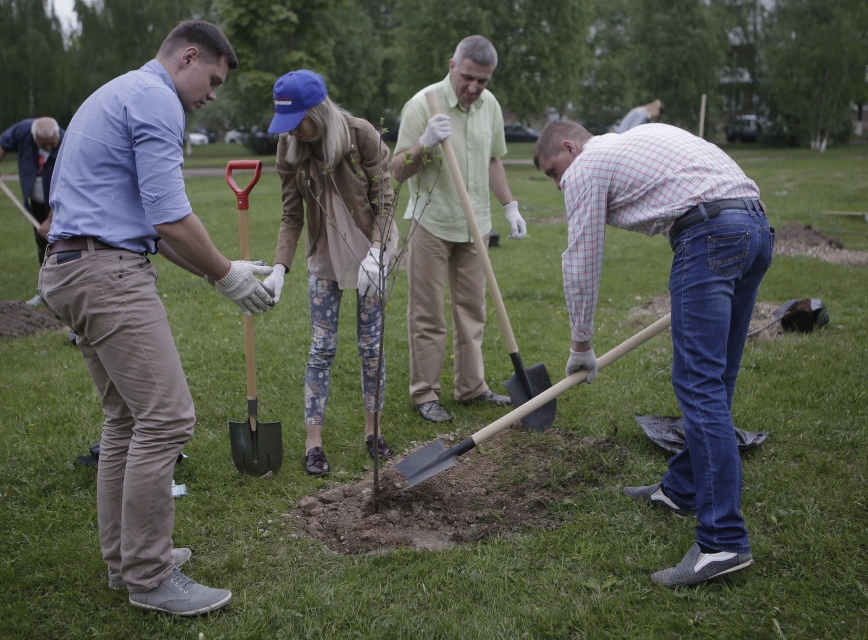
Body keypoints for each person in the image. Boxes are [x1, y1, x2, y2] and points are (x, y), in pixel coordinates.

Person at [37, 20, 275, 616]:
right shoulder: (155, 100)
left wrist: (222, 263)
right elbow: (169, 219)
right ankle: (150, 574)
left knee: (125, 419)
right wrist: (228, 278)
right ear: (188, 56)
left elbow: (150, 225)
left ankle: (126, 562)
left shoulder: (119, 91)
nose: (212, 94)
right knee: (167, 420)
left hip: (73, 266)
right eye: (213, 80)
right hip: (104, 274)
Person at [533, 120, 773, 588]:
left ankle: (722, 541)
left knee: (699, 386)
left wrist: (580, 343)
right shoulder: (637, 139)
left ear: (569, 147)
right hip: (755, 227)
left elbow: (581, 259)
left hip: (708, 234)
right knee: (716, 380)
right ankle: (681, 489)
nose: (559, 183)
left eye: (553, 171)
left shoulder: (588, 166)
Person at [262, 69, 398, 476]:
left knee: (371, 345)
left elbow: (385, 201)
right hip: (325, 255)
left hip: (370, 250)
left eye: (297, 123)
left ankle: (372, 432)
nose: (292, 132)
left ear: (318, 113)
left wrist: (377, 251)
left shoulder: (361, 136)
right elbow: (290, 215)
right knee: (321, 346)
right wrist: (280, 268)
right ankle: (313, 442)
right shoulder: (289, 146)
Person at [391, 35, 526, 424]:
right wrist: (424, 144)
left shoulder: (490, 106)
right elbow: (397, 171)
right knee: (427, 313)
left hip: (475, 226)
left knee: (473, 311)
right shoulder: (423, 105)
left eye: (482, 81)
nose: (473, 87)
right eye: (467, 77)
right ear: (452, 65)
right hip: (431, 222)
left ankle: (471, 387)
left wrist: (510, 206)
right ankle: (425, 394)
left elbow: (494, 160)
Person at [0, 117, 64, 305]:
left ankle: (66, 290)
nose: (49, 147)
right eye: (43, 144)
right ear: (34, 137)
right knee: (41, 245)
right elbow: (2, 142)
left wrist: (50, 219)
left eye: (52, 143)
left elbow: (67, 187)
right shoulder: (23, 130)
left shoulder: (66, 142)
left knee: (62, 245)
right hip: (36, 202)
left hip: (60, 204)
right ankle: (46, 292)